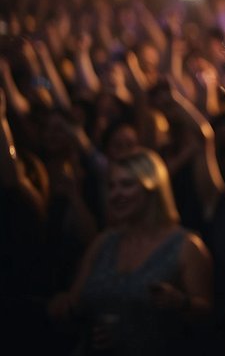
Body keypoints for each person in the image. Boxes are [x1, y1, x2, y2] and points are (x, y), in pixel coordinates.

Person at [48, 147, 214, 355]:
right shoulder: (104, 242)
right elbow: (75, 302)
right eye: (111, 186)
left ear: (152, 187)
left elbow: (206, 315)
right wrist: (61, 305)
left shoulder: (185, 245)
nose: (116, 194)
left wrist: (181, 302)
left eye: (126, 184)